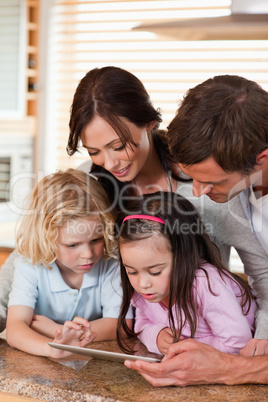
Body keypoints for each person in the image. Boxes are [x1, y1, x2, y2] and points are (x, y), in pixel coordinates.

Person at [1, 67, 266, 351]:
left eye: (118, 145)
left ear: (149, 123)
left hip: (200, 339)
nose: (110, 163)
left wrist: (260, 342)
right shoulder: (91, 182)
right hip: (130, 336)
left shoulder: (211, 186)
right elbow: (33, 248)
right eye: (94, 151)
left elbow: (263, 277)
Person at [123, 74, 268, 386]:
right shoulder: (239, 194)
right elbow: (265, 281)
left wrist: (229, 368)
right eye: (192, 178)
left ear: (262, 160)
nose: (199, 192)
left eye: (212, 181)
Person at [6, 169, 132, 358]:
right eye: (73, 245)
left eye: (96, 240)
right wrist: (53, 348)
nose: (88, 254)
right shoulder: (29, 264)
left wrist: (54, 330)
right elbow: (15, 329)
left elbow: (121, 326)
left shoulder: (111, 262)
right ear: (46, 238)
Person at [115, 191, 256, 357]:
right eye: (131, 271)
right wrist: (157, 336)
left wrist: (184, 347)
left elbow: (239, 345)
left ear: (184, 255)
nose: (142, 283)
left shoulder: (206, 285)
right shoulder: (144, 290)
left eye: (155, 272)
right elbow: (141, 324)